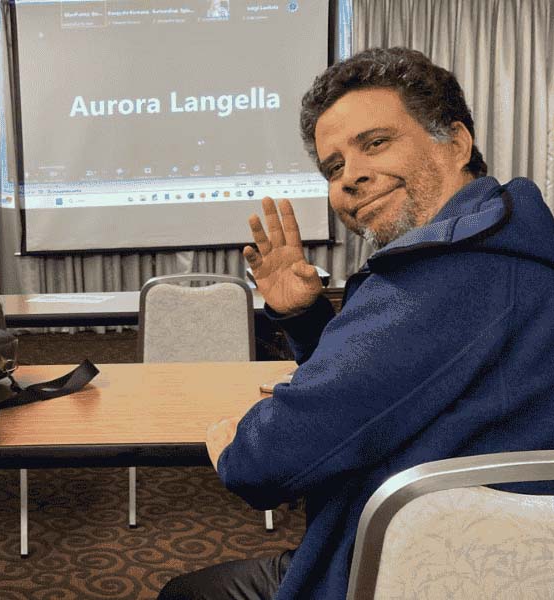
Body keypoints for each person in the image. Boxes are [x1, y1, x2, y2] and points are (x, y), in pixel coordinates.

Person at [159, 46, 554, 600]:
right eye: (333, 167)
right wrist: (305, 315)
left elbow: (268, 465)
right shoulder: (512, 247)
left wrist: (233, 446)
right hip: (493, 566)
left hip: (399, 570)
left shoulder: (443, 273)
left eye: (375, 143)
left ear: (457, 143)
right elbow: (395, 390)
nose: (351, 178)